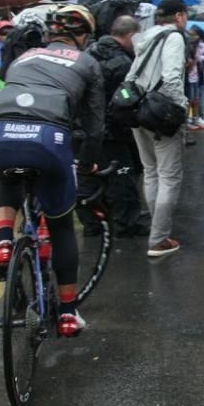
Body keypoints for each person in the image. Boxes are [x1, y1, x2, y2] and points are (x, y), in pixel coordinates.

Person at [0, 5, 104, 337]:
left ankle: (5, 241)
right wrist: (89, 162)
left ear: (51, 33)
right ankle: (67, 313)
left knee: (5, 171)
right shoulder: (87, 62)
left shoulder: (25, 55)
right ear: (84, 37)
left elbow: (4, 86)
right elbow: (94, 126)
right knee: (62, 226)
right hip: (49, 139)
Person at [127, 0, 188, 258]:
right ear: (178, 17)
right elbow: (172, 77)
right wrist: (182, 108)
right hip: (160, 114)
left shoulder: (145, 37)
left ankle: (157, 231)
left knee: (151, 172)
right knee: (169, 175)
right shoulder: (173, 37)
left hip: (138, 111)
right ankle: (159, 238)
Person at [84, 15, 148, 238]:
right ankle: (126, 223)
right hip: (113, 129)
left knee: (91, 176)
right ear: (130, 36)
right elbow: (124, 100)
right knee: (122, 175)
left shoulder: (90, 52)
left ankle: (93, 223)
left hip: (86, 127)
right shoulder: (123, 63)